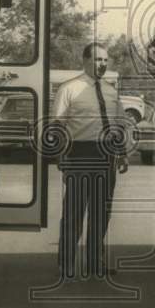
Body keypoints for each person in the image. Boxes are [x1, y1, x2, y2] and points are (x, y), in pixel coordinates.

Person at [52, 42, 129, 280]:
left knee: (101, 212)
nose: (102, 64)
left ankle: (95, 263)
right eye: (97, 59)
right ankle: (66, 264)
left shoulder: (111, 91)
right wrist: (61, 156)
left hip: (106, 155)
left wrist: (122, 152)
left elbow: (119, 123)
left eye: (105, 60)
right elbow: (57, 126)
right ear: (85, 60)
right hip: (80, 155)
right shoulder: (70, 89)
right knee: (74, 212)